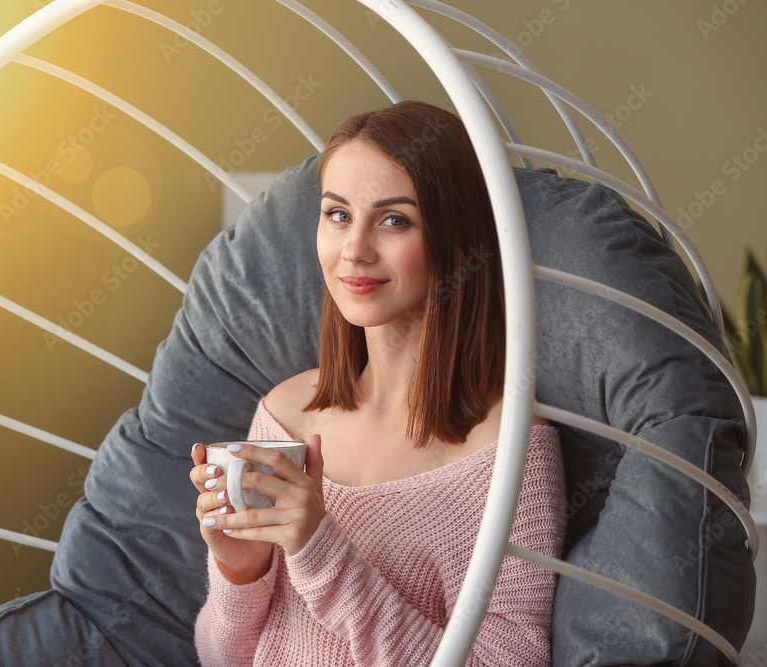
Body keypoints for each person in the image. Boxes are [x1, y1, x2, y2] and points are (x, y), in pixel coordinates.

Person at [189, 101, 565, 666]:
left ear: (454, 240)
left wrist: (318, 552)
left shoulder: (509, 454)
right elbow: (222, 658)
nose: (355, 249)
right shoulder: (285, 412)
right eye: (338, 215)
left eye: (395, 220)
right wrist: (240, 569)